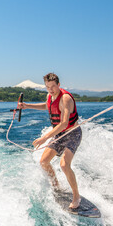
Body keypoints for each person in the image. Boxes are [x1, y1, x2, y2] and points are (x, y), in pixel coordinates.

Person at [18, 73, 82, 209]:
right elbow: (46, 106)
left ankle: (76, 196)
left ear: (59, 85)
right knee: (43, 162)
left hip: (72, 133)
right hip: (60, 135)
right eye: (48, 87)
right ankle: (56, 186)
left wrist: (44, 138)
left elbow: (64, 124)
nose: (51, 89)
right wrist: (27, 106)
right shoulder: (50, 96)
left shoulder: (65, 98)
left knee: (64, 165)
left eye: (53, 86)